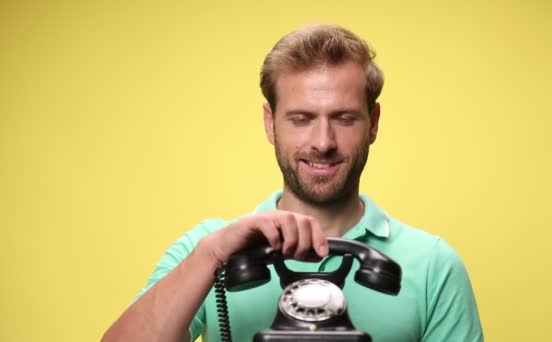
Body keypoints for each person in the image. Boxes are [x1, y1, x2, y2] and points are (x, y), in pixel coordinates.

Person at [102, 24, 484, 342]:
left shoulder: (434, 266)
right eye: (301, 118)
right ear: (270, 124)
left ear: (374, 122)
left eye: (345, 118)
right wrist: (214, 257)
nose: (323, 142)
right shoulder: (206, 249)